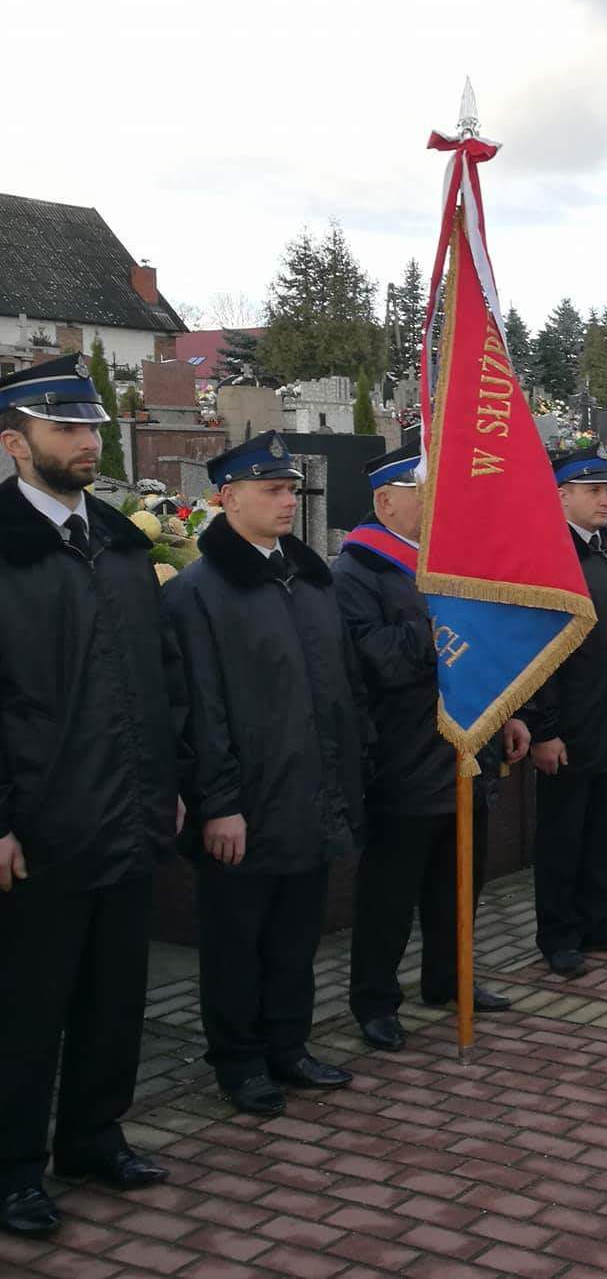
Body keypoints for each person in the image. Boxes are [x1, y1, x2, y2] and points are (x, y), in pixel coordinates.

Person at [0, 356, 181, 1237]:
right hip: (42, 819)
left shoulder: (121, 543)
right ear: (14, 442)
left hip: (132, 809)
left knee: (116, 994)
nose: (84, 443)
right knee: (28, 1006)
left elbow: (156, 682)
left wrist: (170, 787)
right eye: (65, 429)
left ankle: (93, 1135)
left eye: (91, 430)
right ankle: (12, 1169)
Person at [164, 431, 365, 1116]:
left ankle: (289, 1045)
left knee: (294, 937)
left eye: (290, 490)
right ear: (228, 499)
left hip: (311, 792)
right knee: (236, 942)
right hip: (245, 805)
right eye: (273, 490)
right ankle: (240, 1060)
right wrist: (219, 802)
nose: (288, 501)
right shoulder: (199, 592)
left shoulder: (309, 579)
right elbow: (198, 707)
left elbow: (335, 690)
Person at [335, 441, 529, 1046]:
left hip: (468, 744)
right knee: (390, 895)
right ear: (386, 501)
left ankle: (449, 979)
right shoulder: (358, 570)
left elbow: (488, 650)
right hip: (402, 756)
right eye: (425, 493)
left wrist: (508, 713)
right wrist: (439, 627)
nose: (437, 504)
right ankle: (375, 1001)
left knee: (459, 884)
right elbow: (376, 661)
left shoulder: (451, 561)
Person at [526, 449, 607, 977]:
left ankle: (600, 918)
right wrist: (545, 728)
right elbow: (538, 651)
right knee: (563, 836)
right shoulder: (548, 556)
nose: (605, 500)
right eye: (592, 491)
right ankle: (559, 934)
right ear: (560, 495)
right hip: (572, 726)